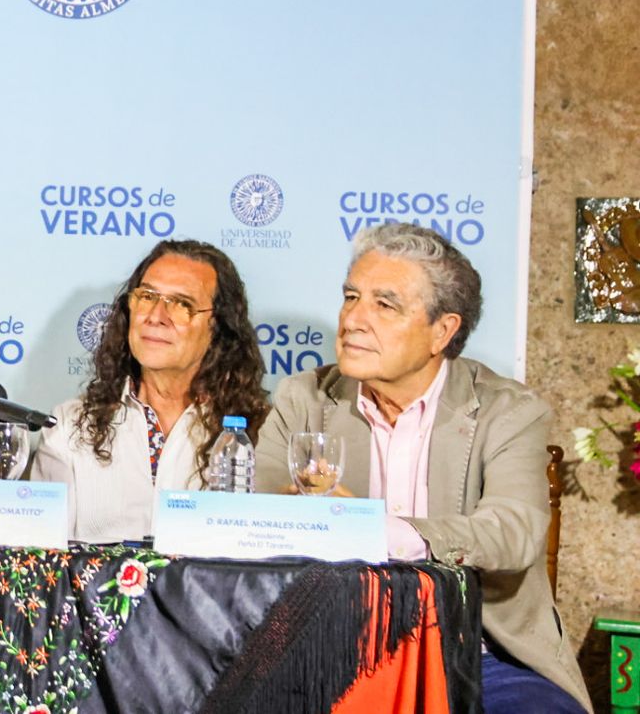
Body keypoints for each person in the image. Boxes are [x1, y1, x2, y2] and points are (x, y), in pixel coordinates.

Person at [254, 223, 591, 713]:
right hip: (335, 651)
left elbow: (512, 533)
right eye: (351, 297)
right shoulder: (304, 399)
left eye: (384, 305)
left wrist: (379, 531)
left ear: (443, 330)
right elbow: (258, 517)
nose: (352, 320)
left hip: (478, 652)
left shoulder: (508, 411)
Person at [31, 239, 268, 542]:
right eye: (147, 296)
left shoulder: (257, 432)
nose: (156, 315)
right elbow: (42, 558)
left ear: (219, 327)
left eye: (183, 304)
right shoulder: (69, 425)